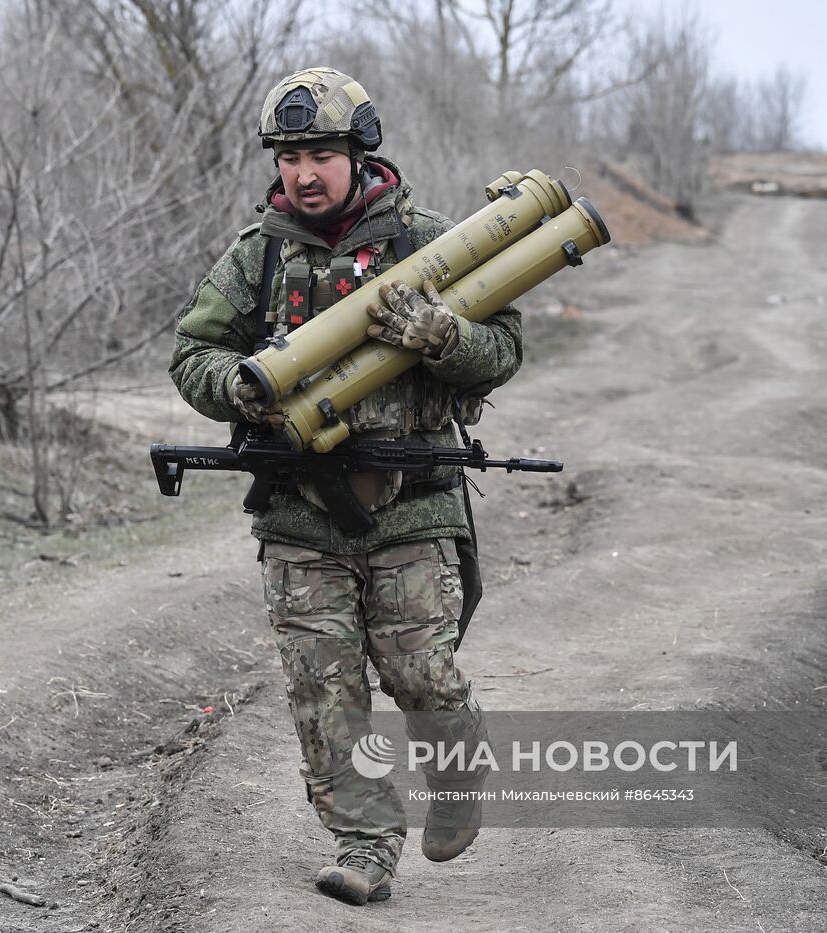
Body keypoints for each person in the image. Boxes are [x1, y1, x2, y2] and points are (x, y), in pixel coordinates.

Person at [168, 66, 522, 905]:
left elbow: (502, 347)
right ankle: (365, 843)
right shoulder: (255, 259)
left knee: (419, 672)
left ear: (359, 155)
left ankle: (457, 761)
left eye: (321, 152)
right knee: (323, 689)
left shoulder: (430, 244)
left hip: (412, 501)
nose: (303, 172)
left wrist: (443, 335)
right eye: (290, 155)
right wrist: (241, 384)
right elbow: (193, 354)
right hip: (299, 513)